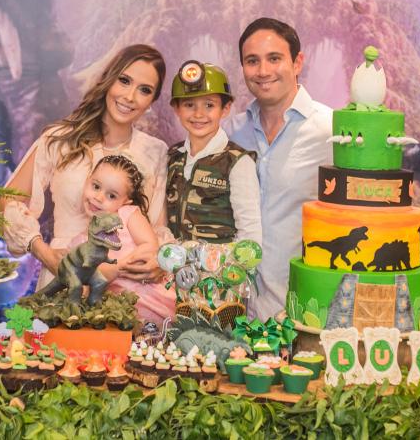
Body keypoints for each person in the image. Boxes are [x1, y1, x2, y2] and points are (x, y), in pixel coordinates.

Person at [1, 44, 171, 296]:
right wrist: (44, 253)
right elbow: (6, 202)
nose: (130, 96)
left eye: (144, 90)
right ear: (108, 79)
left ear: (152, 101)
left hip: (127, 286)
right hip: (64, 275)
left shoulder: (155, 151)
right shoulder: (60, 139)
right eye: (124, 81)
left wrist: (159, 259)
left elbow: (157, 228)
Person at [227, 17, 333, 321]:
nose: (263, 71)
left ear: (297, 62)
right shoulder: (230, 133)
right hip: (233, 315)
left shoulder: (331, 131)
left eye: (274, 58)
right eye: (252, 61)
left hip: (302, 317)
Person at [70, 154, 174, 325]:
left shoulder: (128, 215)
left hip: (149, 296)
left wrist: (123, 265)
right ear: (87, 180)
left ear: (126, 201)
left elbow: (150, 246)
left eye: (112, 196)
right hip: (115, 310)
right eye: (96, 186)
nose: (98, 197)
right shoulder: (80, 243)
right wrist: (116, 269)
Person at [167, 60, 262, 245]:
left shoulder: (237, 162)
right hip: (172, 262)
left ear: (225, 109)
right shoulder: (172, 156)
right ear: (177, 109)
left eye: (209, 105)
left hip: (222, 263)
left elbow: (250, 234)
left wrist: (228, 262)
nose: (198, 114)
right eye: (189, 105)